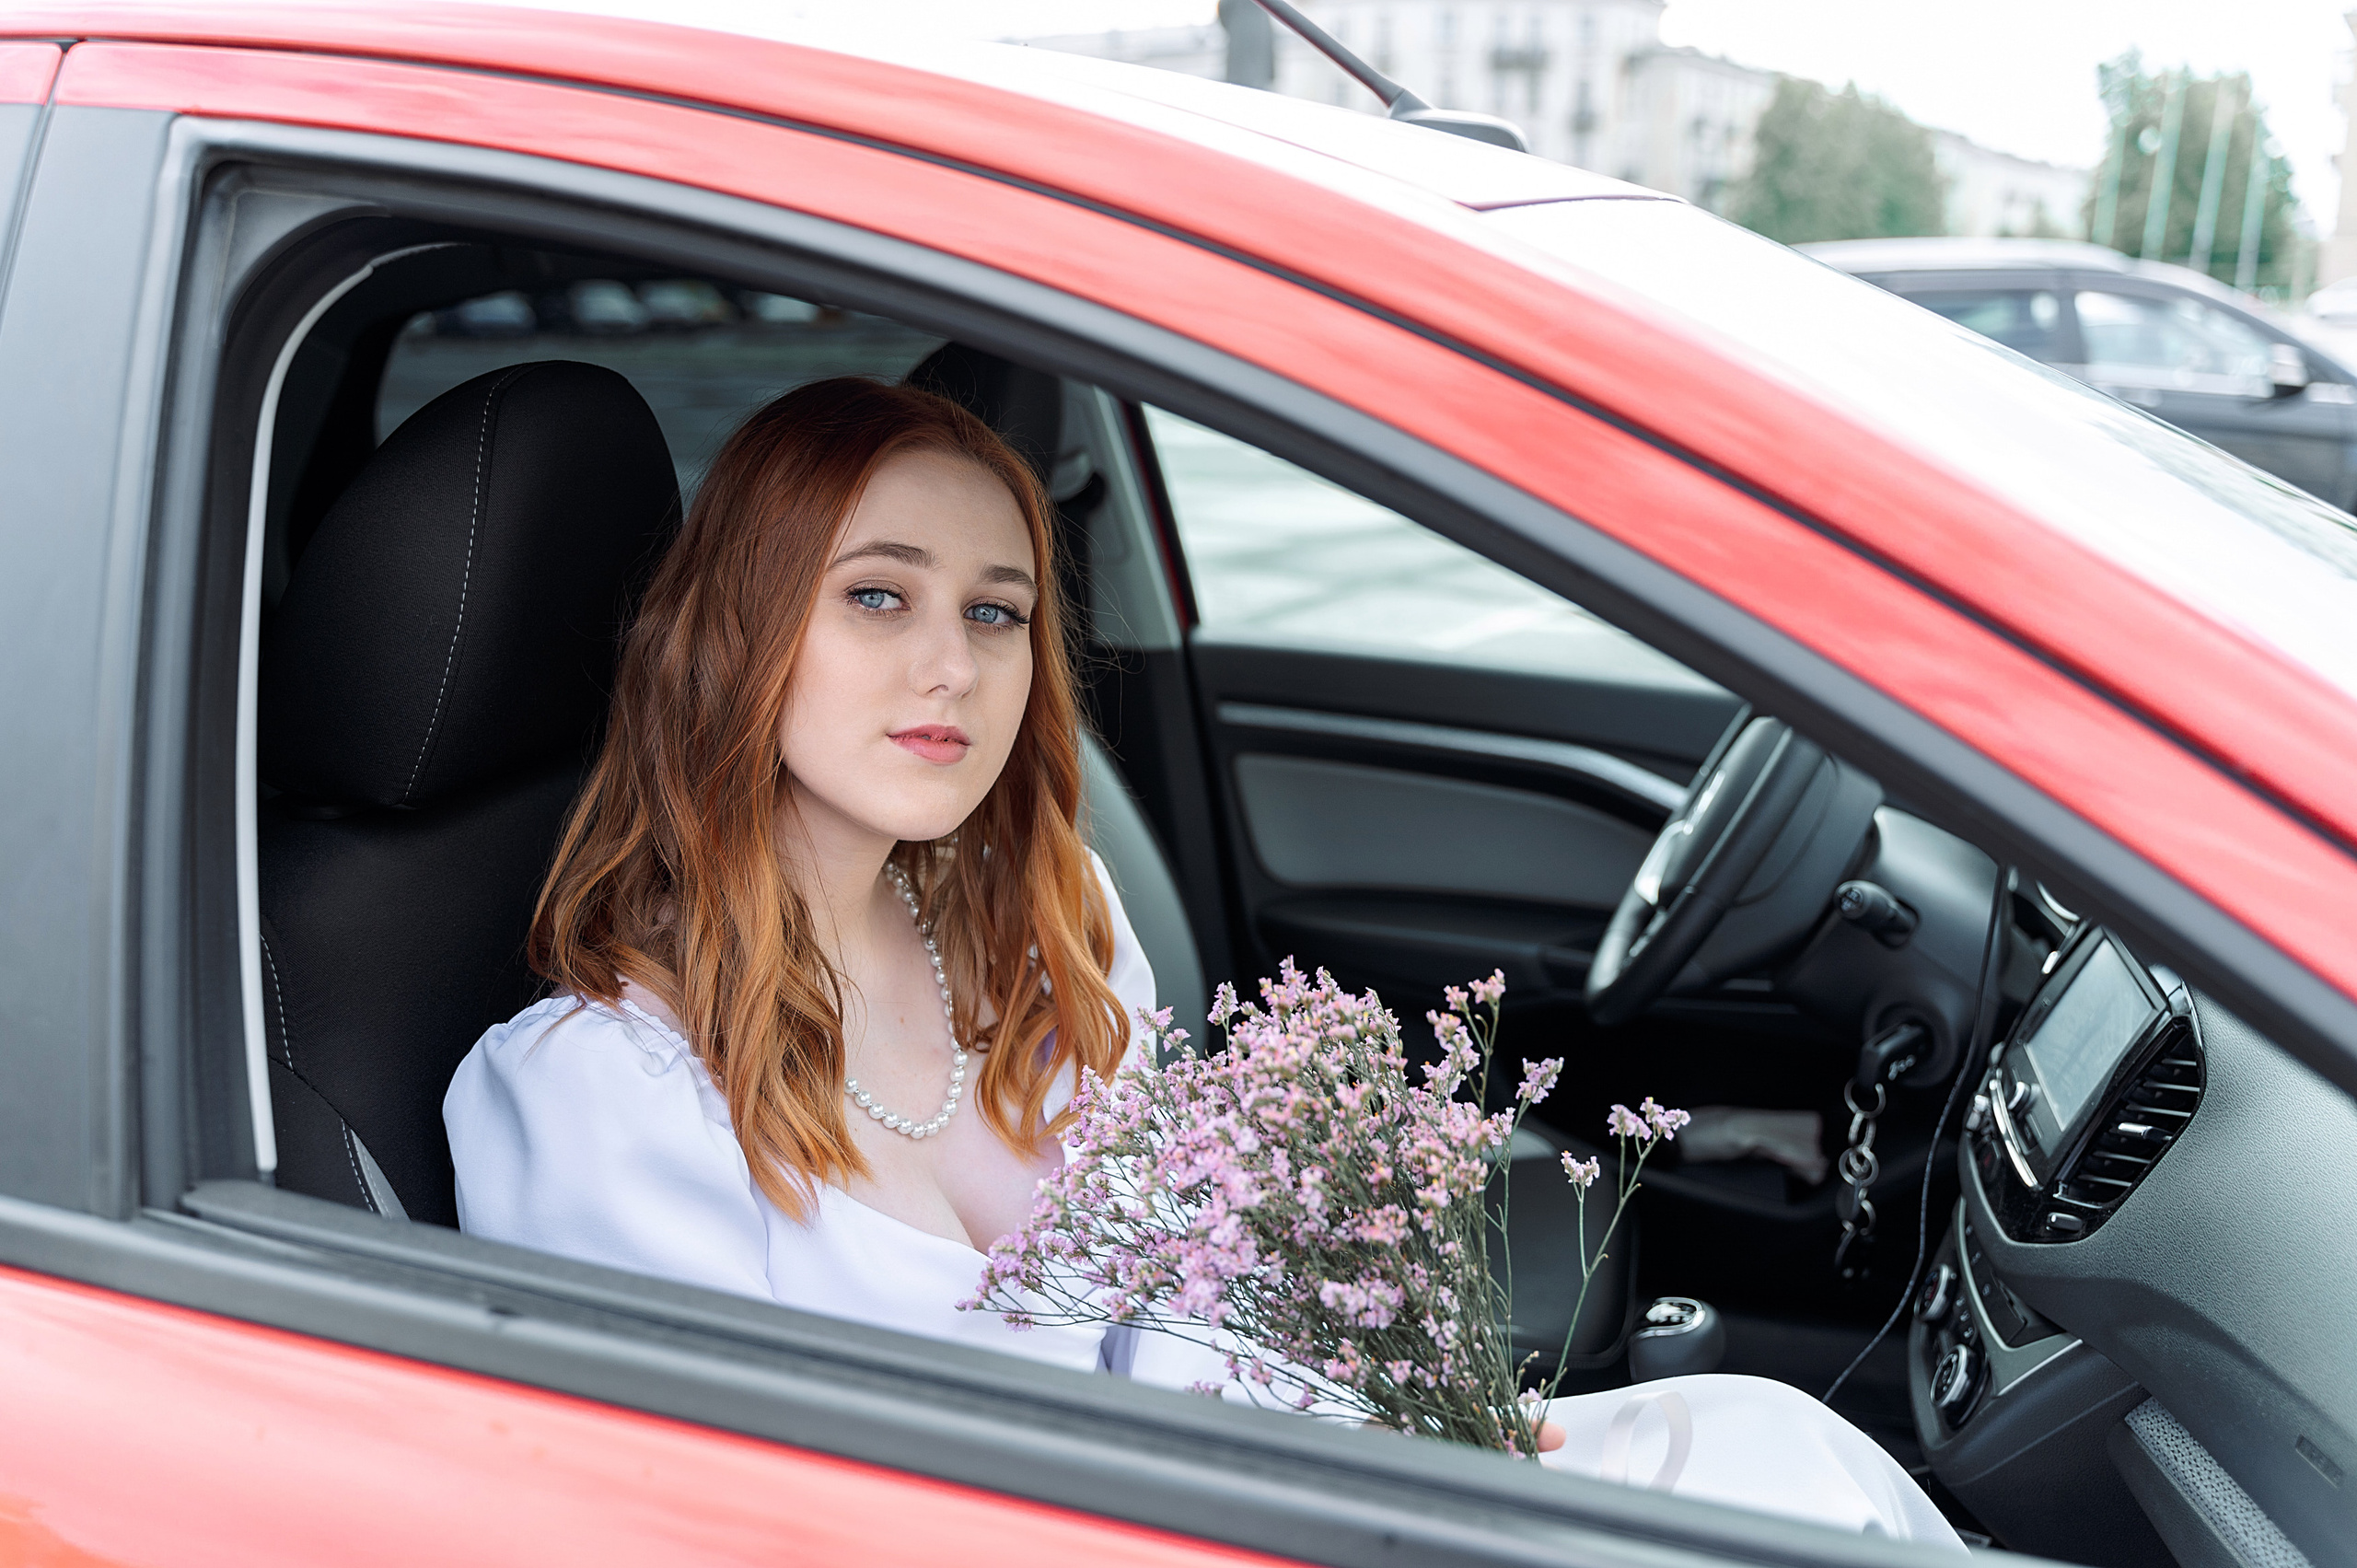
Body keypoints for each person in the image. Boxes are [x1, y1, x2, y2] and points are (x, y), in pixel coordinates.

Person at [444, 377, 1963, 1549]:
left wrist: (1398, 1433)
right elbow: (697, 1524)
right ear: (734, 633)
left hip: (1248, 1505)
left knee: (1779, 1447)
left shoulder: (1046, 930)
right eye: (877, 596)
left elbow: (1177, 1328)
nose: (953, 667)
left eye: (997, 613)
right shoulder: (594, 1102)